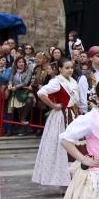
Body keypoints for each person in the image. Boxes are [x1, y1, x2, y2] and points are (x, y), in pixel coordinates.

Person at [32, 58, 80, 188]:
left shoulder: (73, 81)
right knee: (62, 147)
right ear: (60, 69)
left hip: (73, 115)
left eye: (71, 68)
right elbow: (41, 92)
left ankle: (74, 178)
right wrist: (53, 105)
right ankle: (63, 180)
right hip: (62, 117)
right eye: (67, 68)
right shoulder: (57, 82)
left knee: (76, 145)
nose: (70, 70)